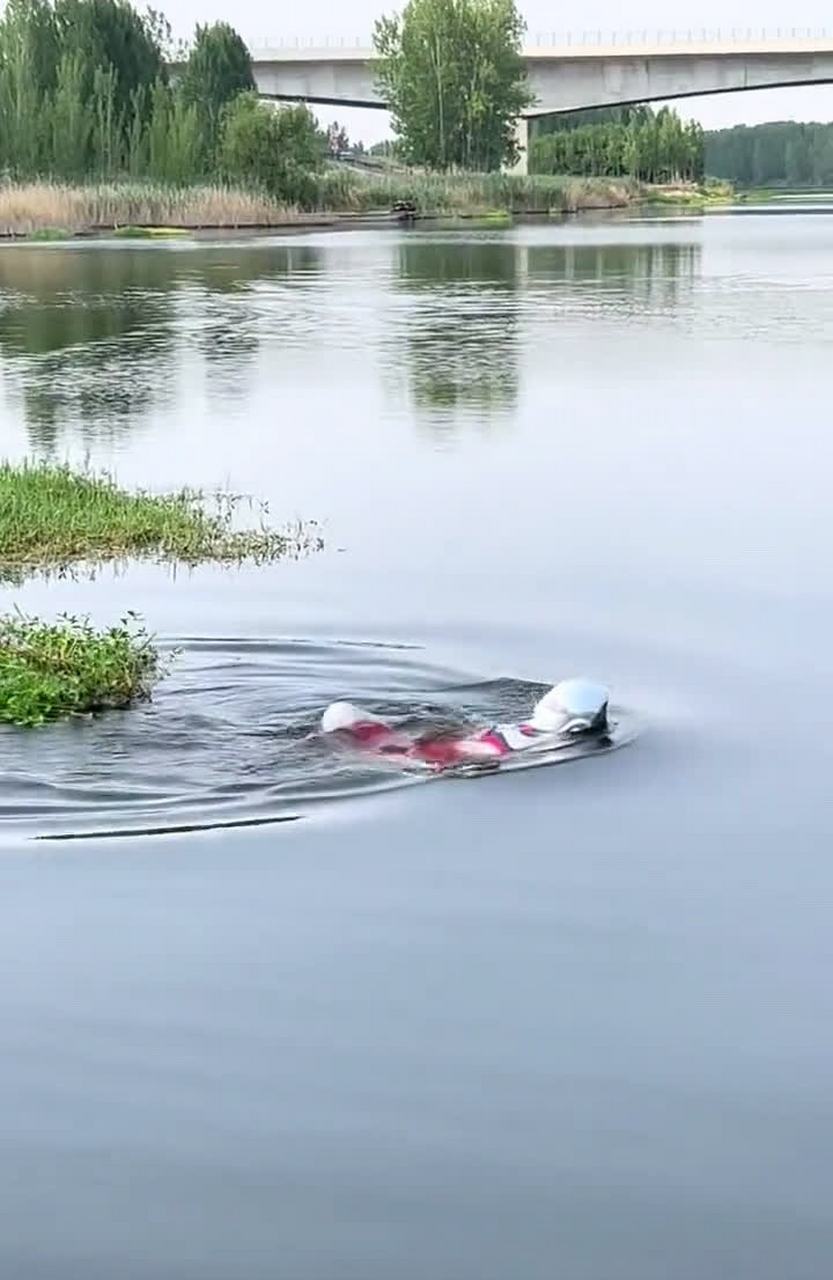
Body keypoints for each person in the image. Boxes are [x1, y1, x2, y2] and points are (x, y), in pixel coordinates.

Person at [321, 677, 609, 771]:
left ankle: (331, 743)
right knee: (339, 714)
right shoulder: (545, 744)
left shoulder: (536, 740)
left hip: (420, 752)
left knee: (339, 714)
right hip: (423, 750)